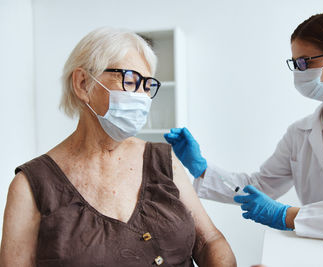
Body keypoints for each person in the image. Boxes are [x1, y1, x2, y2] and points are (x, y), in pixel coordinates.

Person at [0, 27, 236, 267]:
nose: (142, 97)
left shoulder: (162, 160)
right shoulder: (30, 185)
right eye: (131, 80)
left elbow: (210, 241)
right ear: (83, 84)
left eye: (146, 86)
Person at [165, 12, 323, 245]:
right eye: (296, 63)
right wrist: (202, 169)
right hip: (316, 251)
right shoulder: (300, 133)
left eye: (306, 62)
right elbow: (261, 186)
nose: (300, 71)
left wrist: (288, 216)